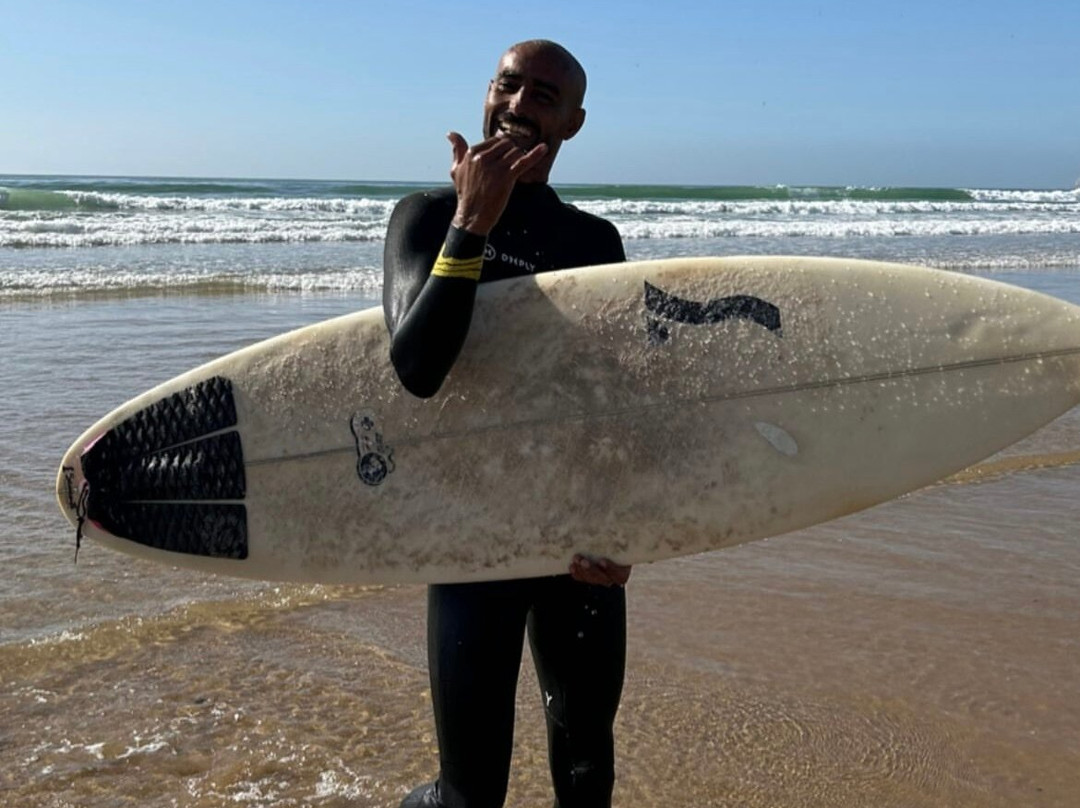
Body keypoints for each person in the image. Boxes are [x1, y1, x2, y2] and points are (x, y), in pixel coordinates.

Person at [382, 39, 632, 808]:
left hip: (575, 545)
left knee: (587, 770)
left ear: (574, 124)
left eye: (544, 97)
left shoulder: (597, 244)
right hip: (472, 537)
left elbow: (614, 409)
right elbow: (418, 369)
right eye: (508, 85)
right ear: (487, 93)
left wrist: (630, 531)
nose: (519, 106)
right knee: (471, 793)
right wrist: (472, 223)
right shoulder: (425, 218)